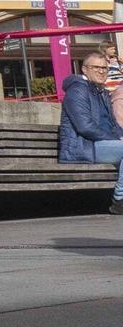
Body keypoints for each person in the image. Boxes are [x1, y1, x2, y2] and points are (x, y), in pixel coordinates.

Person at [59, 50, 123, 213]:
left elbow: (113, 124)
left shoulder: (101, 92)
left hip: (102, 145)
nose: (102, 71)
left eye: (105, 68)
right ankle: (119, 200)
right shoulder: (77, 90)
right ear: (84, 69)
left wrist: (120, 136)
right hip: (83, 147)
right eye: (96, 67)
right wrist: (114, 140)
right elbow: (84, 127)